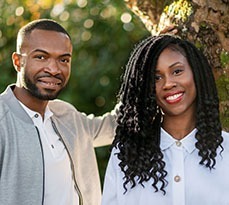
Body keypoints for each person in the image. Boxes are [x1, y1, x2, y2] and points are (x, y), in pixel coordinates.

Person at [0, 19, 118, 205]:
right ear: (18, 61)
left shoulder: (66, 114)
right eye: (41, 57)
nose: (54, 69)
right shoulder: (3, 121)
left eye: (63, 60)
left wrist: (152, 60)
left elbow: (116, 125)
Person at [101, 34, 229, 205]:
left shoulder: (226, 151)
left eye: (177, 71)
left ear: (197, 74)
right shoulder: (125, 154)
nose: (168, 83)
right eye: (156, 78)